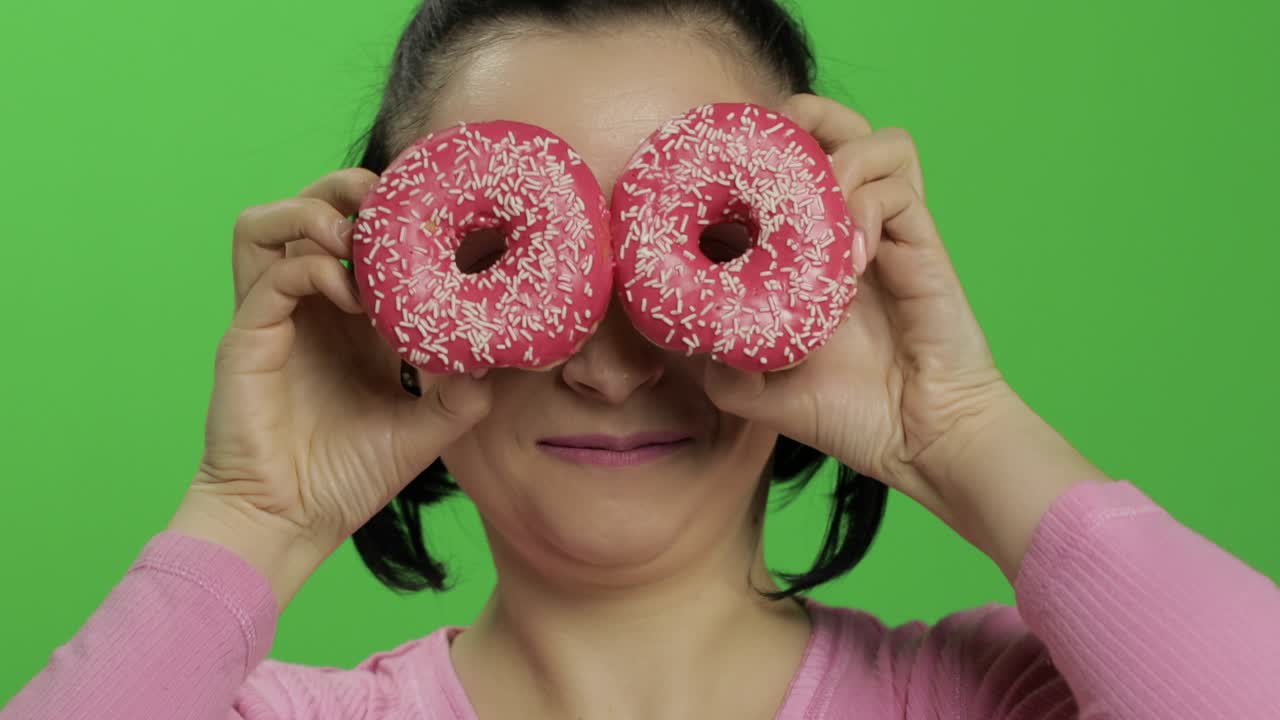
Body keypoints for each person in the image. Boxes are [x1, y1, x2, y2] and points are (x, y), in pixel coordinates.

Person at [4, 1, 1278, 718]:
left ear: (830, 273)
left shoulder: (1000, 702)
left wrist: (958, 421)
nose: (609, 369)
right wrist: (254, 513)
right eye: (511, 258)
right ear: (382, 300)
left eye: (702, 249)